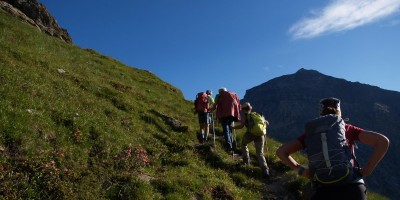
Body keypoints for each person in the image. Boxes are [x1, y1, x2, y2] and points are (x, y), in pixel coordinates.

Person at [276, 97, 389, 200]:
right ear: (339, 112)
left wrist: (302, 171)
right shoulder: (347, 128)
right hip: (352, 187)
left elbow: (281, 152)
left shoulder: (311, 134)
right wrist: (366, 170)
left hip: (323, 188)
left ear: (320, 113)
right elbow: (383, 142)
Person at [231, 102, 270, 178]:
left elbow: (241, 126)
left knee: (243, 144)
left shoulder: (244, 114)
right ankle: (265, 170)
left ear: (243, 109)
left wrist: (233, 127)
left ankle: (246, 161)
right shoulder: (256, 114)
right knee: (260, 153)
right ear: (250, 107)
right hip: (260, 135)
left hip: (251, 134)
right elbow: (265, 122)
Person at [211, 87, 241, 152]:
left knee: (225, 129)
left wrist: (210, 110)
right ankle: (232, 145)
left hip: (224, 114)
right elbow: (239, 105)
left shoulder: (219, 95)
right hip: (233, 114)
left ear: (220, 92)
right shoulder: (234, 94)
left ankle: (229, 145)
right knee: (229, 129)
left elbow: (215, 105)